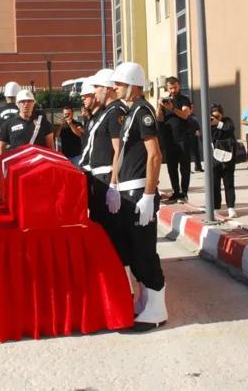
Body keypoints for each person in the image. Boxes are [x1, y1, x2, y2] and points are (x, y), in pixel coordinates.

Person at [110, 61, 167, 332]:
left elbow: (155, 155)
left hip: (140, 189)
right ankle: (146, 302)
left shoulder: (143, 111)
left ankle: (157, 308)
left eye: (120, 84)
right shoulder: (130, 112)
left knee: (144, 252)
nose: (116, 88)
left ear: (133, 85)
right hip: (128, 190)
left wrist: (148, 195)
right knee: (134, 251)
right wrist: (115, 185)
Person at [80, 70, 128, 265]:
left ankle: (121, 281)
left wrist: (114, 185)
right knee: (101, 229)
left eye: (97, 87)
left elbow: (119, 150)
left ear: (107, 89)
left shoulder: (116, 111)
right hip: (96, 178)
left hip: (106, 178)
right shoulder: (104, 112)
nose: (94, 92)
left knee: (113, 234)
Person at [156, 76, 192, 203]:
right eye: (171, 88)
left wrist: (172, 108)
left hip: (183, 139)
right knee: (172, 168)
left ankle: (184, 193)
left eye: (175, 87)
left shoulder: (184, 99)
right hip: (169, 139)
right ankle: (176, 192)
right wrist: (160, 106)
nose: (173, 90)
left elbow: (185, 114)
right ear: (167, 88)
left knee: (184, 168)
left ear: (179, 86)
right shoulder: (164, 101)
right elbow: (159, 118)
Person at [0, 90, 54, 157]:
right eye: (23, 101)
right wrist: (1, 164)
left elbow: (51, 148)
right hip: (18, 163)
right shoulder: (8, 123)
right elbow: (1, 147)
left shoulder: (44, 123)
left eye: (29, 101)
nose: (26, 104)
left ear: (34, 103)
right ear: (17, 104)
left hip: (39, 164)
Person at [210, 104, 237, 218]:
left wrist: (219, 124)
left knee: (229, 184)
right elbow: (214, 136)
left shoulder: (227, 121)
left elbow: (230, 129)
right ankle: (216, 208)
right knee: (215, 185)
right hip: (215, 158)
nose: (216, 118)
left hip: (228, 158)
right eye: (214, 116)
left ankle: (231, 207)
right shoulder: (210, 124)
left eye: (218, 116)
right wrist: (215, 125)